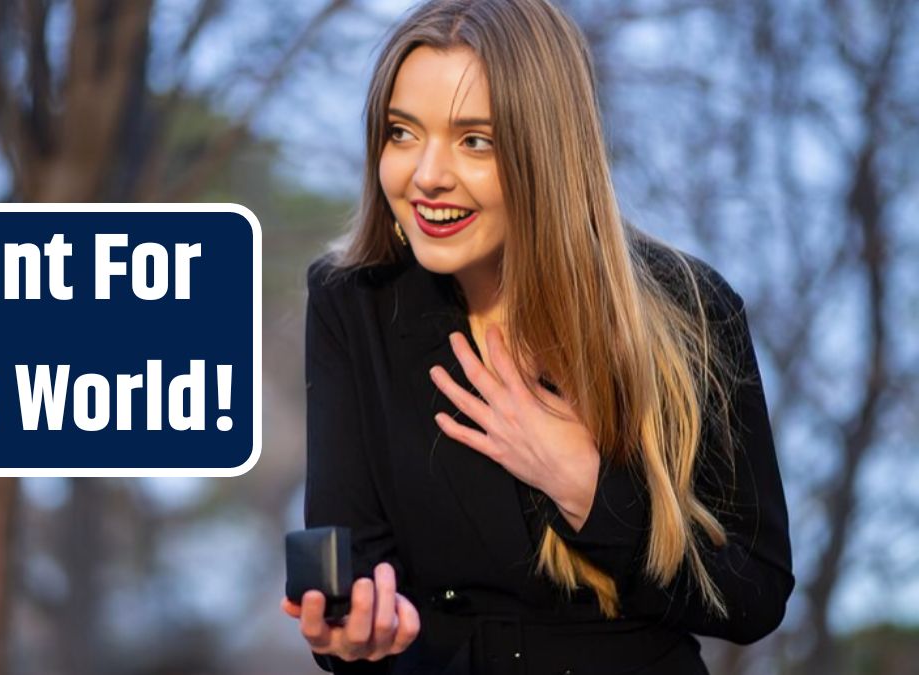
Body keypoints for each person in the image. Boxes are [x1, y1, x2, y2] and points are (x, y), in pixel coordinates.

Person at [279, 0, 794, 673]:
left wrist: (587, 487)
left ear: (545, 150)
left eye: (475, 140)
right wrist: (353, 637)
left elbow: (753, 594)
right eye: (402, 132)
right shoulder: (353, 302)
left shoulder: (691, 308)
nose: (427, 174)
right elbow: (360, 587)